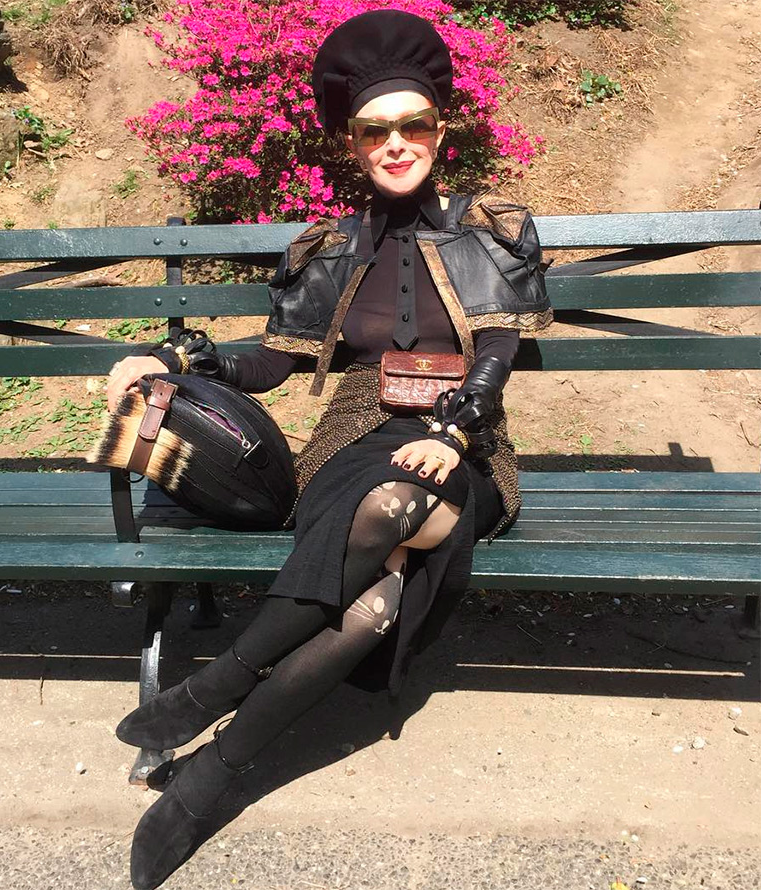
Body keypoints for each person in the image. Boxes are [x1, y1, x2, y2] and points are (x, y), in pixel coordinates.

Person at [105, 10, 552, 889]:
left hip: (463, 444)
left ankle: (213, 690)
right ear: (352, 145)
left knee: (395, 502)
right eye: (375, 131)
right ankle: (207, 781)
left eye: (412, 125)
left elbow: (496, 354)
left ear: (440, 131)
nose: (396, 143)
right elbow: (274, 360)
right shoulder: (331, 248)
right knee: (374, 598)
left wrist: (453, 432)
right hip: (351, 434)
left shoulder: (489, 231)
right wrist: (178, 358)